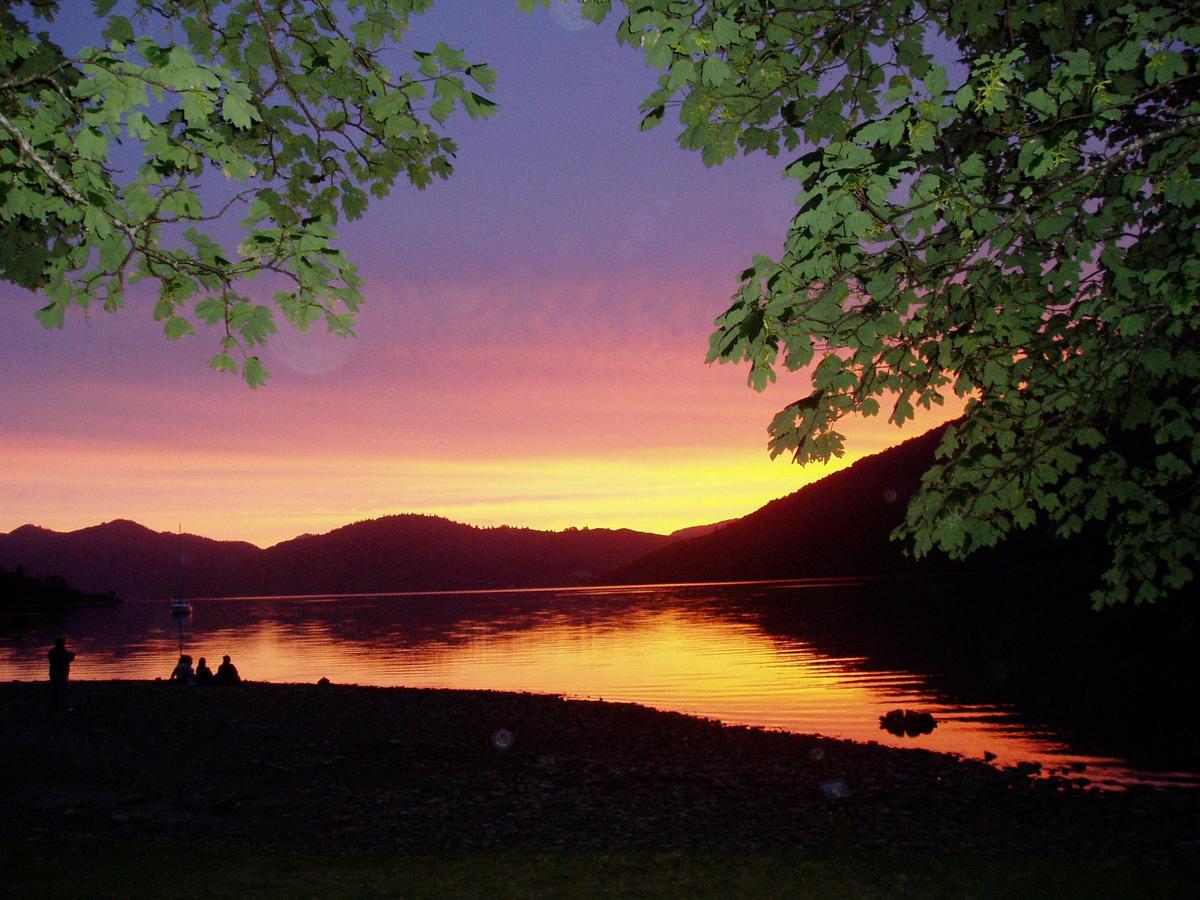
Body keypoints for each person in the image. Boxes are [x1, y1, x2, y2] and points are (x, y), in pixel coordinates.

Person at [48, 637, 75, 710]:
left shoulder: (52, 651)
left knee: (55, 689)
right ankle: (65, 706)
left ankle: (54, 706)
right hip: (62, 672)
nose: (64, 644)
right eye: (63, 643)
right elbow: (68, 659)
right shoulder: (62, 651)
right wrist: (72, 655)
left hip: (54, 672)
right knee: (64, 689)